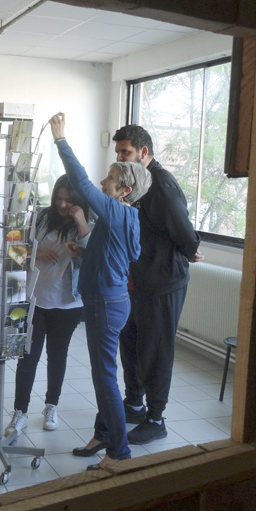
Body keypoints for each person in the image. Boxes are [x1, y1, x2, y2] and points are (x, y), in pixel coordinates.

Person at [48, 113, 152, 470]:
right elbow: (128, 254)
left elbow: (80, 180)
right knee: (104, 375)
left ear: (124, 190)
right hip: (113, 299)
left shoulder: (114, 210)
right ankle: (108, 439)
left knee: (105, 378)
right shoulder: (128, 216)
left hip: (105, 303)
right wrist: (87, 252)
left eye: (110, 178)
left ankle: (119, 452)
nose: (103, 182)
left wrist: (61, 140)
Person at [112, 125, 204, 444]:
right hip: (136, 281)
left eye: (125, 152)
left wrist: (191, 248)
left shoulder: (161, 184)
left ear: (143, 152)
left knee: (156, 350)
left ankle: (156, 418)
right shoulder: (133, 181)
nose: (120, 158)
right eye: (118, 152)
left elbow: (181, 227)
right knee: (131, 344)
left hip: (163, 282)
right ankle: (135, 404)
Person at [5, 175, 91, 437]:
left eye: (69, 200)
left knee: (57, 356)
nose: (62, 205)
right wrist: (37, 253)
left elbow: (92, 256)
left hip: (67, 303)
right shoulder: (41, 217)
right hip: (32, 298)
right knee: (27, 357)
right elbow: (13, 248)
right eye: (58, 198)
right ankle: (19, 412)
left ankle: (51, 406)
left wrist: (80, 220)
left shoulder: (89, 222)